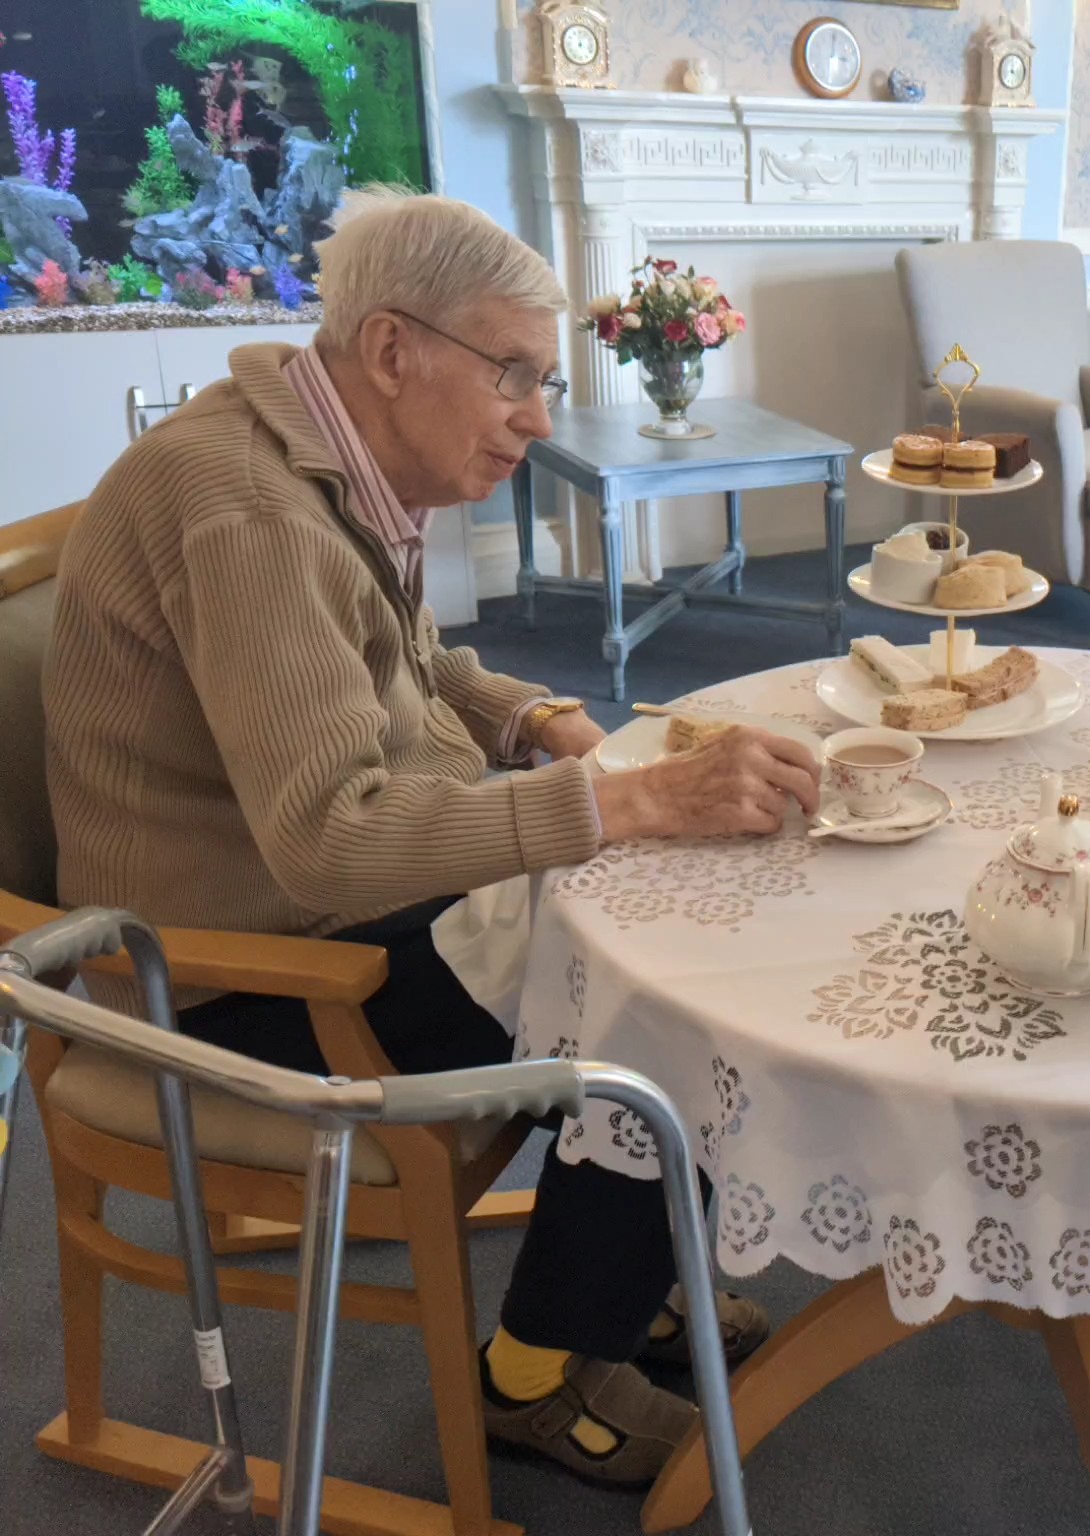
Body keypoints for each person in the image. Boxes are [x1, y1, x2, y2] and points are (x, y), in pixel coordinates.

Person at [43, 189, 821, 1486]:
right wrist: (629, 801)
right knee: (671, 982)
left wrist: (540, 720)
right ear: (393, 349)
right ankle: (538, 1371)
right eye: (511, 373)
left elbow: (408, 662)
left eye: (544, 381)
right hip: (238, 987)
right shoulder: (248, 509)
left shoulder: (316, 453)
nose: (537, 416)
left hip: (321, 916)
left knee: (667, 903)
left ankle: (622, 1272)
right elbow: (331, 839)